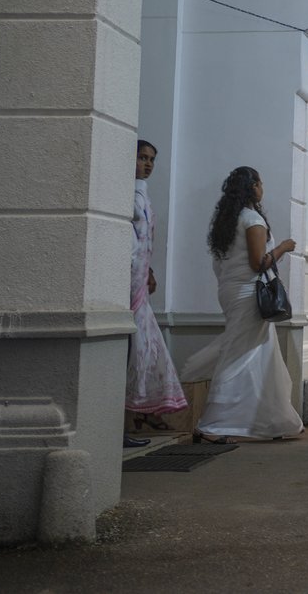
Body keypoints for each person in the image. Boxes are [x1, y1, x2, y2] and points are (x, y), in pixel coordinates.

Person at [179, 166, 304, 443]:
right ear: (253, 188)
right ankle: (211, 424)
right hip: (249, 294)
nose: (263, 187)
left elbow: (220, 264)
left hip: (232, 291)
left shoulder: (227, 221)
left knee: (262, 355)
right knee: (239, 355)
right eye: (260, 182)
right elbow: (259, 263)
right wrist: (283, 247)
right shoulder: (252, 219)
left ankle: (273, 421)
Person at [124, 140, 188, 447]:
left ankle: (143, 410)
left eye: (151, 160)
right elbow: (127, 237)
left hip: (139, 283)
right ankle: (131, 413)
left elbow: (146, 236)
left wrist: (148, 271)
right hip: (127, 284)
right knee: (133, 350)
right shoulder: (124, 192)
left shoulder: (142, 194)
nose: (147, 164)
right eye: (142, 158)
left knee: (146, 348)